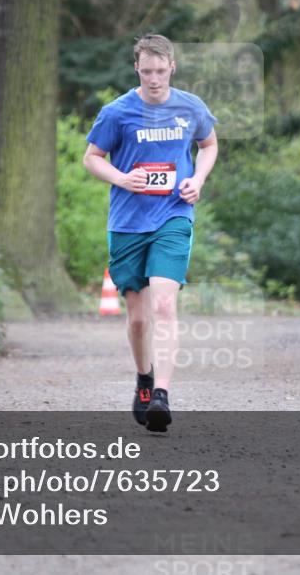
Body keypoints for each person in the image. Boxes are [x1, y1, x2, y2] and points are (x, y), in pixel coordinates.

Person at [82, 35, 218, 432]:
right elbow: (91, 158)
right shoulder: (117, 112)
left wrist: (198, 178)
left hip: (174, 216)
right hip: (127, 223)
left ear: (172, 67)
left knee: (163, 305)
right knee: (139, 319)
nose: (154, 79)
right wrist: (122, 178)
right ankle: (144, 377)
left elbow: (208, 145)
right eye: (147, 71)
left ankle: (162, 393)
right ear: (136, 69)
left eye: (161, 71)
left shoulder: (190, 107)